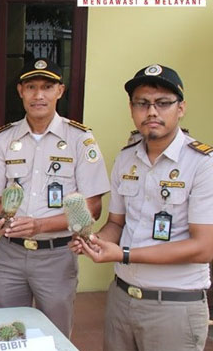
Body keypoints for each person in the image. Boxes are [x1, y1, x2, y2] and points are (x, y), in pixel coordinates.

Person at [73, 64, 213, 351]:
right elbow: (116, 223)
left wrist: (124, 253)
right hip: (122, 300)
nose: (152, 112)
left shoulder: (203, 164)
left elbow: (204, 247)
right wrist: (98, 241)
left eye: (163, 103)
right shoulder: (126, 159)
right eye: (142, 103)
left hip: (173, 306)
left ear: (181, 108)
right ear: (132, 109)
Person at [0, 58, 110, 337]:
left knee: (55, 335)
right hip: (10, 255)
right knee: (6, 332)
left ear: (59, 91)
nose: (39, 95)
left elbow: (92, 207)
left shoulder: (80, 140)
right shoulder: (1, 141)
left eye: (47, 87)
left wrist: (40, 226)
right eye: (31, 87)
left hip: (57, 255)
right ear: (20, 91)